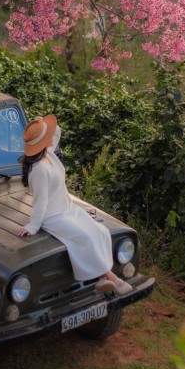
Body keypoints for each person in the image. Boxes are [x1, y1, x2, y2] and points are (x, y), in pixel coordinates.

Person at [16, 114, 132, 296]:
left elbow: (56, 133)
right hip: (52, 216)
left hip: (67, 208)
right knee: (84, 237)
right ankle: (112, 278)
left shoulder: (49, 154)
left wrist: (43, 124)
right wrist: (32, 226)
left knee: (99, 231)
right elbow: (40, 201)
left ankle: (102, 278)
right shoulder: (38, 170)